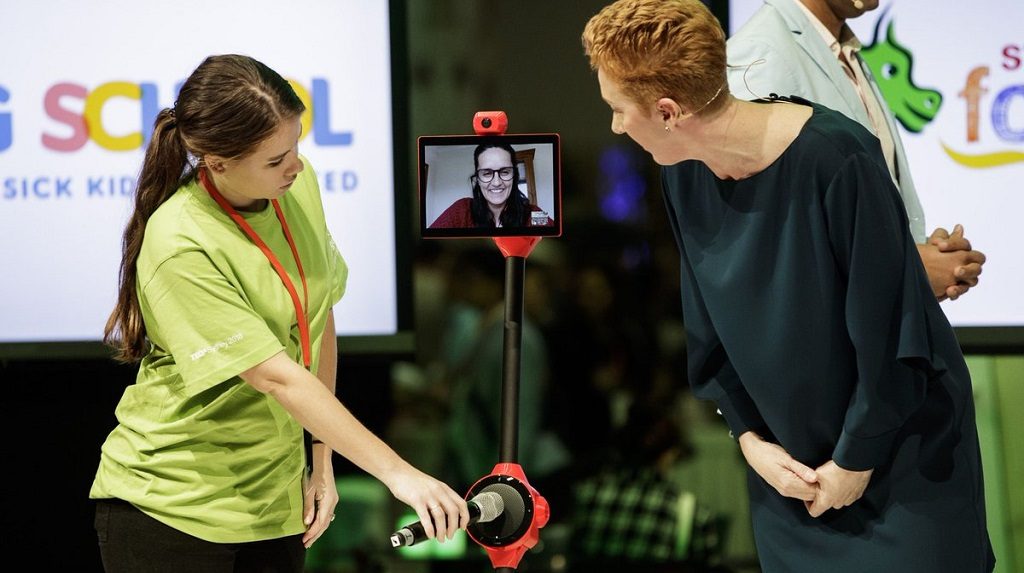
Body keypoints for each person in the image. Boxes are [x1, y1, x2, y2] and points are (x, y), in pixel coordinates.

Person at [581, 2, 995, 572]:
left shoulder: (837, 156)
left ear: (669, 111)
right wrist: (752, 440)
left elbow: (896, 341)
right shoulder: (682, 174)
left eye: (618, 109)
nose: (616, 126)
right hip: (789, 479)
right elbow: (709, 335)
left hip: (902, 464)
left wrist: (853, 462)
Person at [90, 54, 468, 572]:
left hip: (274, 503)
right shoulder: (180, 241)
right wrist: (399, 474)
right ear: (215, 162)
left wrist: (322, 456)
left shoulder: (297, 185)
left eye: (296, 147)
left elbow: (318, 316)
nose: (294, 166)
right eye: (274, 160)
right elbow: (276, 377)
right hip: (173, 507)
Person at [727, 0, 987, 302]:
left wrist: (923, 256)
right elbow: (769, 240)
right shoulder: (760, 53)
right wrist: (904, 270)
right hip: (822, 343)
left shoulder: (841, 47)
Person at [429, 142, 552, 229]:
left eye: (505, 172)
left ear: (514, 175)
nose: (497, 182)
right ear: (478, 178)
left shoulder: (533, 213)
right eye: (487, 173)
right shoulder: (462, 209)